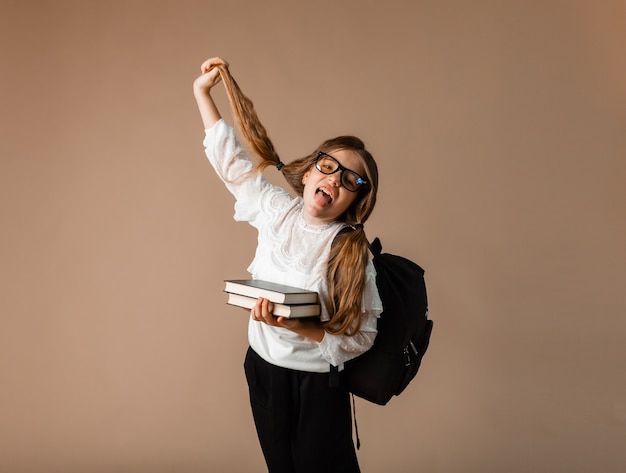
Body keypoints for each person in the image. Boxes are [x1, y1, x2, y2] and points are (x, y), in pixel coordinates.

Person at [193, 57, 382, 473]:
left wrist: (298, 325)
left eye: (351, 180)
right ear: (311, 170)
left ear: (356, 200)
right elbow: (233, 166)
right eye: (329, 166)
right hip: (262, 370)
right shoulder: (277, 210)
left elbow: (363, 336)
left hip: (317, 383)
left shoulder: (350, 250)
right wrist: (203, 94)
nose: (334, 179)